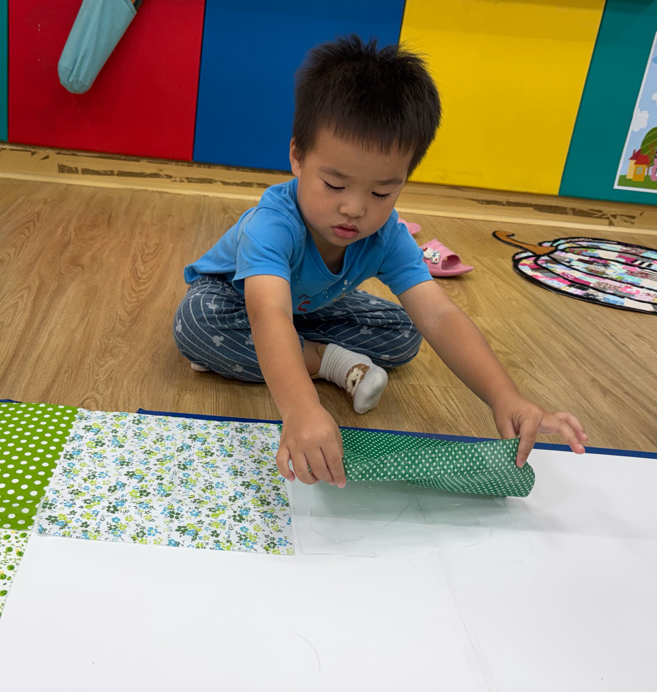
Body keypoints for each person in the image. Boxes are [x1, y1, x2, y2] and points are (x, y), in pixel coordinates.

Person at [173, 35, 587, 488]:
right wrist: (302, 410)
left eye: (381, 192)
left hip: (310, 306)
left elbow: (439, 314)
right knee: (196, 322)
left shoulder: (387, 235)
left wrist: (505, 397)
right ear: (297, 157)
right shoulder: (273, 223)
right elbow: (268, 312)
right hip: (234, 300)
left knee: (405, 333)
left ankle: (303, 352)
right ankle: (326, 361)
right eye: (334, 185)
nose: (354, 209)